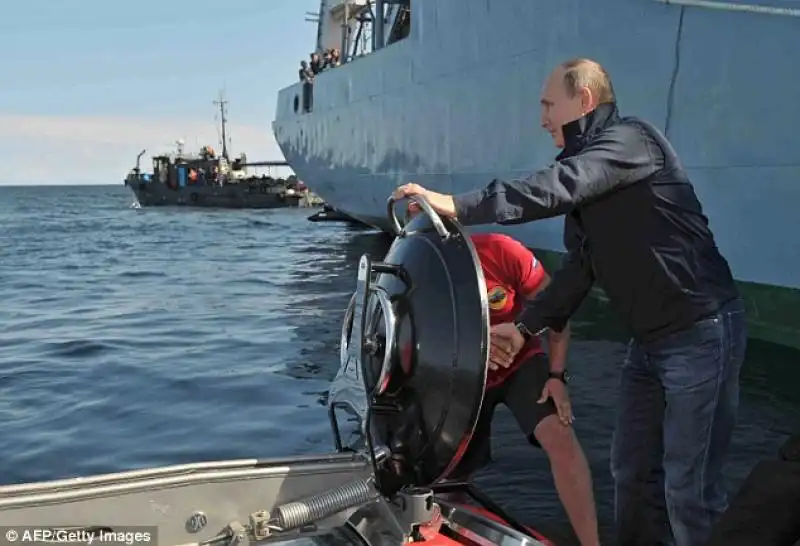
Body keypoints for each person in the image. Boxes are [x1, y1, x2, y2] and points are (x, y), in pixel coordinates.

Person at [392, 58, 747, 546]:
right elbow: (580, 269)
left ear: (583, 101)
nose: (542, 119)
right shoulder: (587, 173)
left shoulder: (629, 142)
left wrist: (459, 204)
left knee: (690, 488)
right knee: (631, 474)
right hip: (649, 344)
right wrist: (523, 328)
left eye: (547, 105)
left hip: (701, 331)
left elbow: (557, 187)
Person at [445, 231, 601, 546]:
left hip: (521, 363)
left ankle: (592, 543)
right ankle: (448, 523)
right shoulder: (420, 275)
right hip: (459, 373)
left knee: (560, 435)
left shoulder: (501, 250)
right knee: (447, 465)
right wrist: (476, 346)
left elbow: (556, 311)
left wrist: (557, 376)